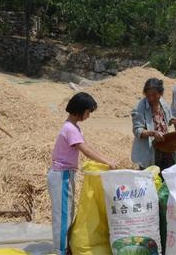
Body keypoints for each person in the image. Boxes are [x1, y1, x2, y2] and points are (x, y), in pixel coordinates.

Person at [48, 92, 118, 255]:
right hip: (62, 175)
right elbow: (85, 150)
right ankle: (60, 250)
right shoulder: (70, 128)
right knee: (63, 216)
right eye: (88, 112)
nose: (88, 116)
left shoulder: (73, 127)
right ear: (80, 110)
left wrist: (104, 159)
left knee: (67, 213)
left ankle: (64, 247)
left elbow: (87, 146)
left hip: (65, 174)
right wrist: (107, 162)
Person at [131, 78, 176, 170]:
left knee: (168, 176)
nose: (151, 98)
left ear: (161, 93)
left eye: (154, 95)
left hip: (166, 147)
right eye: (148, 95)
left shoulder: (162, 103)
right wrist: (153, 133)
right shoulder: (139, 108)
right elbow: (138, 131)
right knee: (152, 178)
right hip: (150, 151)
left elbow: (169, 120)